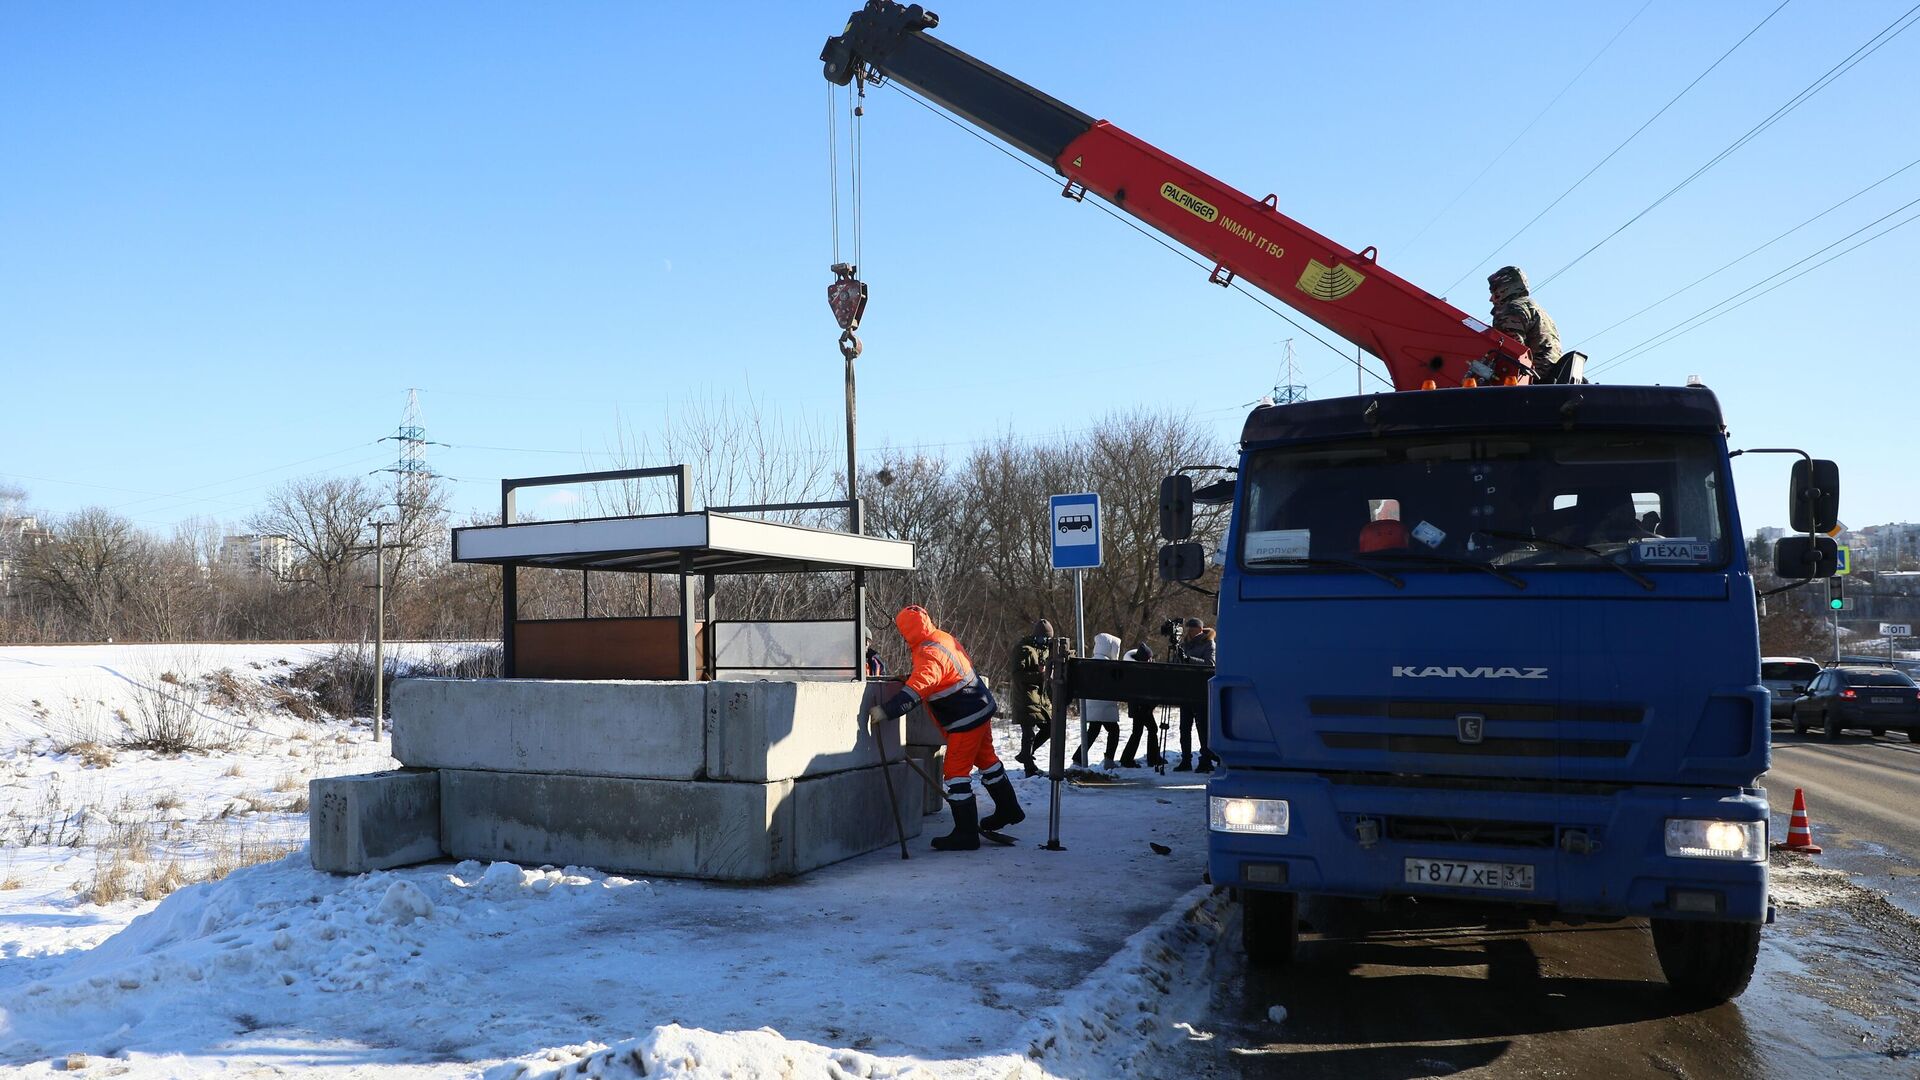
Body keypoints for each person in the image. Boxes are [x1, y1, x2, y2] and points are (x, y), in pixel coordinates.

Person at [870, 605, 1024, 851]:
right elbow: (942, 674)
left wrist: (887, 711)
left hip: (965, 716)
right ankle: (1010, 809)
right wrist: (910, 675)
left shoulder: (927, 653)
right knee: (987, 760)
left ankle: (965, 834)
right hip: (980, 706)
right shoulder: (941, 638)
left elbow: (920, 686)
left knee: (955, 773)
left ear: (907, 631)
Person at [1488, 266, 1565, 384]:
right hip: (1549, 378)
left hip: (1532, 380)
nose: (1491, 299)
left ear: (1505, 290)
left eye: (1494, 292)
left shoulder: (1511, 309)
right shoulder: (1537, 310)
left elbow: (1511, 355)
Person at [1009, 619, 1056, 777]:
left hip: (1040, 699)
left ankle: (1026, 755)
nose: (1045, 642)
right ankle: (1029, 767)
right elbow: (1017, 675)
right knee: (1028, 733)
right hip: (1025, 697)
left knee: (1050, 728)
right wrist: (1041, 676)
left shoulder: (1045, 650)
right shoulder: (1024, 649)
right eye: (1043, 638)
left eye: (1048, 639)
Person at [1073, 633, 1124, 770]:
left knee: (1093, 730)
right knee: (1114, 730)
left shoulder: (1091, 661)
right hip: (1105, 704)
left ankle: (1077, 758)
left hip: (1091, 703)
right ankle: (1109, 759)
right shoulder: (1109, 664)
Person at [1174, 617, 1218, 773]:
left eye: (1193, 628)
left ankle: (1205, 760)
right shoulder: (1184, 644)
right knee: (1184, 728)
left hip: (1200, 691)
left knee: (1202, 728)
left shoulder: (1208, 643)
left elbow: (1210, 664)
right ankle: (1186, 760)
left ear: (1200, 629)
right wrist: (1177, 657)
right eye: (1189, 628)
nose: (1190, 631)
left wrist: (1188, 659)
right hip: (1185, 690)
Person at [1119, 640, 1164, 769]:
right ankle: (1151, 758)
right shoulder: (1139, 671)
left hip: (1140, 707)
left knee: (1139, 731)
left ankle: (1128, 758)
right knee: (1148, 730)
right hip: (1141, 707)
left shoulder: (1136, 669)